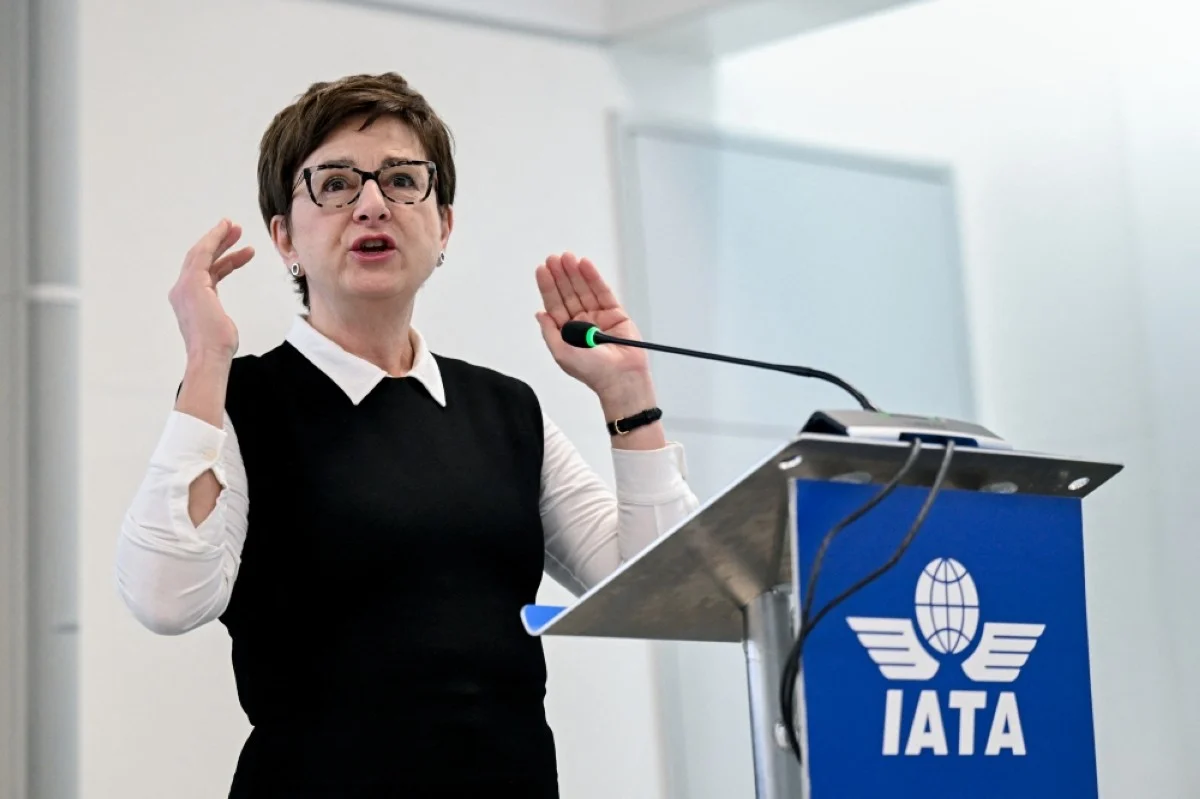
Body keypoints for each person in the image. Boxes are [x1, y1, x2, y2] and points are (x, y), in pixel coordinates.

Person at [115, 72, 700, 797]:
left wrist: (628, 394)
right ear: (284, 236)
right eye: (335, 183)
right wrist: (207, 359)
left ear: (443, 225)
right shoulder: (241, 400)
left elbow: (662, 593)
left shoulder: (505, 410)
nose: (371, 204)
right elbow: (166, 599)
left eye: (400, 180)